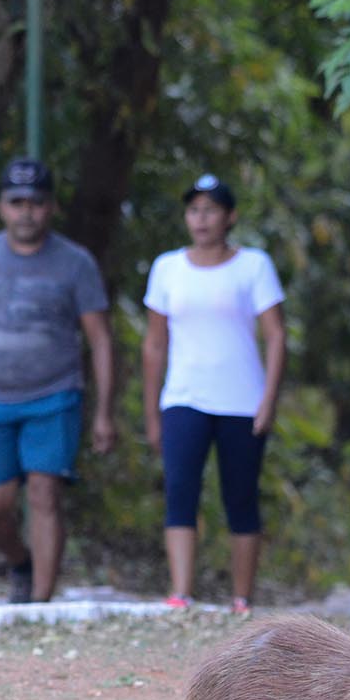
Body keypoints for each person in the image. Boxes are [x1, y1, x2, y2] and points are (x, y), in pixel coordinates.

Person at [0, 157, 116, 604]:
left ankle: (39, 603)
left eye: (35, 202)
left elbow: (100, 339)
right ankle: (20, 561)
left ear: (50, 207)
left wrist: (105, 413)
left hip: (54, 395)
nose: (26, 211)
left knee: (44, 492)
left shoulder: (75, 263)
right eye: (17, 202)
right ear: (1, 208)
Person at [142, 174, 287, 613]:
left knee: (240, 495)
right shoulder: (168, 268)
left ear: (230, 217)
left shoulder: (254, 266)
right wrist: (152, 411)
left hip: (241, 400)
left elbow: (276, 336)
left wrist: (269, 399)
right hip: (184, 396)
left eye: (210, 210)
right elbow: (154, 343)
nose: (201, 219)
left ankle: (242, 597)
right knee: (180, 490)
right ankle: (181, 592)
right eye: (194, 210)